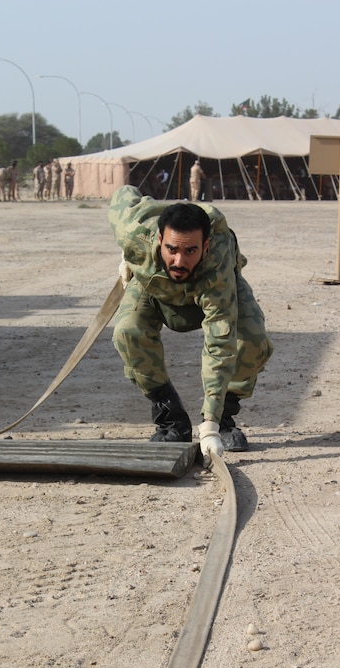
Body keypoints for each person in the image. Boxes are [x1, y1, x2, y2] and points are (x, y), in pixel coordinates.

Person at [109, 185, 272, 463]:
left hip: (207, 289)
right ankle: (171, 420)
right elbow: (123, 194)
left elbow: (219, 344)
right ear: (159, 239)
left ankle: (225, 418)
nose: (180, 261)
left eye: (191, 251)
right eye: (171, 249)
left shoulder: (216, 266)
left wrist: (210, 425)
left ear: (205, 246)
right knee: (127, 331)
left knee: (252, 340)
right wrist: (130, 254)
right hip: (153, 286)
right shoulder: (133, 232)